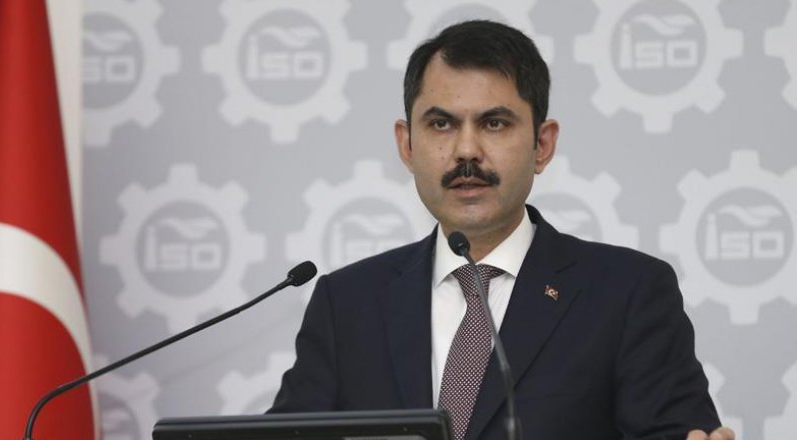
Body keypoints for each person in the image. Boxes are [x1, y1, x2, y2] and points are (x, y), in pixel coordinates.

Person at [269, 20, 735, 440]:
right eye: (441, 124)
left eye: (494, 123)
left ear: (542, 144)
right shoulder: (347, 304)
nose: (466, 151)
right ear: (407, 145)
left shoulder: (627, 293)